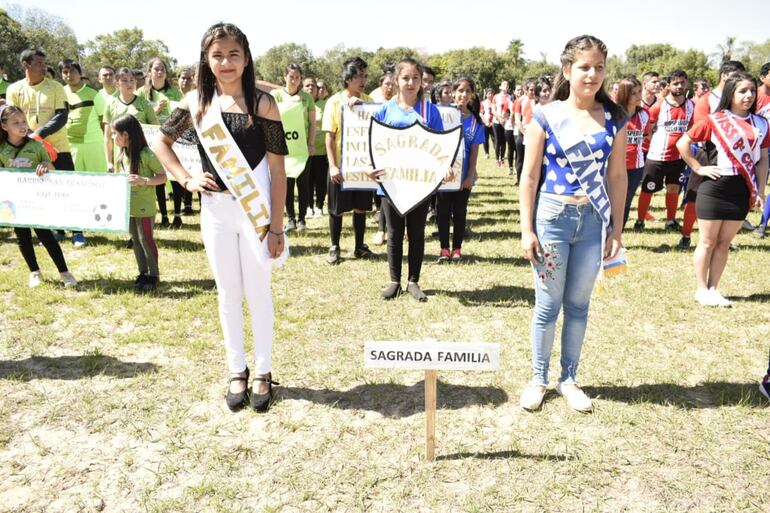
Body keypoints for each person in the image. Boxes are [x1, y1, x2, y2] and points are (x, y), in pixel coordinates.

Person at [153, 22, 288, 412]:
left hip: (256, 211)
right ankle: (236, 369)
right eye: (217, 55)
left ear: (246, 59)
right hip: (215, 211)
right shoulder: (196, 103)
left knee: (258, 292)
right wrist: (185, 178)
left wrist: (276, 226)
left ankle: (262, 371)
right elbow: (160, 140)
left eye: (233, 54)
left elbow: (278, 170)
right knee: (228, 294)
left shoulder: (262, 104)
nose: (226, 62)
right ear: (205, 60)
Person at [519, 35, 627, 412]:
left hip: (593, 221)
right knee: (547, 305)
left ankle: (570, 378)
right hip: (552, 218)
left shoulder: (615, 118)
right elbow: (529, 177)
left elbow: (617, 178)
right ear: (567, 69)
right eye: (584, 67)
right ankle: (538, 378)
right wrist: (526, 228)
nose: (592, 74)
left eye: (599, 67)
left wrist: (617, 228)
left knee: (579, 305)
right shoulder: (546, 116)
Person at [676, 71, 768, 307]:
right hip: (715, 187)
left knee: (724, 243)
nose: (748, 95)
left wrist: (759, 188)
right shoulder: (715, 119)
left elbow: (763, 158)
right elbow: (683, 143)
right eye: (742, 91)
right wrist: (698, 168)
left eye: (752, 91)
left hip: (742, 188)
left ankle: (714, 288)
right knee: (707, 241)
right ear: (731, 93)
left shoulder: (761, 123)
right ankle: (701, 289)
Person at [372, 58, 449, 301]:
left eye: (416, 78)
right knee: (394, 233)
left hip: (420, 184)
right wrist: (370, 167)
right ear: (396, 80)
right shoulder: (385, 110)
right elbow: (374, 145)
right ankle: (394, 281)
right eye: (405, 78)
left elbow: (442, 145)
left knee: (416, 233)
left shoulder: (430, 111)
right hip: (392, 184)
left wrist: (444, 168)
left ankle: (413, 281)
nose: (411, 82)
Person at [6, 49, 88, 247]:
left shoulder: (56, 87)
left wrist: (38, 134)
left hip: (58, 147)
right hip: (28, 149)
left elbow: (62, 116)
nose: (44, 67)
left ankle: (77, 232)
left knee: (67, 188)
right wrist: (26, 139)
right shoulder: (14, 90)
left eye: (44, 63)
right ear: (26, 65)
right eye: (39, 63)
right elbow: (11, 118)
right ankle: (57, 231)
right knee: (44, 191)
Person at [0, 105, 78, 288]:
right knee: (23, 237)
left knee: (45, 235)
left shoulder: (36, 145)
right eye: (16, 123)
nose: (22, 126)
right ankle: (34, 272)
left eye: (23, 121)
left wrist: (45, 165)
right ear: (4, 127)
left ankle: (65, 272)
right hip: (13, 202)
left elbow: (52, 168)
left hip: (36, 201)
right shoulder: (2, 148)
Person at [680, 61, 746, 248]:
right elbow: (701, 130)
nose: (738, 81)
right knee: (694, 195)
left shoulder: (738, 99)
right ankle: (686, 235)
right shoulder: (707, 99)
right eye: (735, 76)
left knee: (728, 197)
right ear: (724, 76)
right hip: (708, 153)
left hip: (733, 155)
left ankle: (723, 239)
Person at [321, 56, 375, 265]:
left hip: (362, 166)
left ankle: (359, 246)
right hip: (341, 166)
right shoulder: (334, 102)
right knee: (337, 208)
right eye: (359, 76)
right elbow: (329, 136)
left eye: (365, 75)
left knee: (361, 207)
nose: (363, 80)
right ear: (348, 78)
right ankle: (334, 246)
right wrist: (333, 166)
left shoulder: (370, 101)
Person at [634, 69, 694, 233]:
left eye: (682, 82)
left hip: (679, 157)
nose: (680, 86)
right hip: (657, 156)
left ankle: (670, 220)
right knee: (648, 188)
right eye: (676, 83)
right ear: (668, 85)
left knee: (673, 188)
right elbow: (648, 130)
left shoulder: (691, 105)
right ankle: (639, 221)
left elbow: (691, 128)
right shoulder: (658, 106)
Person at [112, 114, 166, 292]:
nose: (113, 137)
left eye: (115, 133)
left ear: (126, 135)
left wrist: (144, 180)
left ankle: (154, 274)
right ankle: (142, 272)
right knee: (135, 240)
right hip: (129, 208)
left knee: (146, 240)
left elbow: (162, 177)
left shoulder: (147, 154)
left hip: (144, 208)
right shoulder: (121, 155)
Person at [437, 77, 484, 263]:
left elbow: (474, 152)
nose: (463, 95)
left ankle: (457, 249)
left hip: (464, 177)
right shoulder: (442, 115)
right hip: (444, 176)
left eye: (467, 91)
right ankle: (444, 248)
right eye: (460, 91)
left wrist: (470, 176)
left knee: (460, 212)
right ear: (453, 92)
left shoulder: (475, 122)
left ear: (472, 95)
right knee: (442, 212)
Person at [137, 58, 184, 228]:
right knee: (158, 176)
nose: (159, 72)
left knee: (175, 177)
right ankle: (164, 215)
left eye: (162, 68)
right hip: (152, 141)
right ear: (149, 72)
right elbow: (140, 116)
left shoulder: (175, 92)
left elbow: (183, 114)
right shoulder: (142, 92)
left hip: (173, 139)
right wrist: (154, 111)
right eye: (155, 69)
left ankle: (177, 216)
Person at [271, 64, 316, 232]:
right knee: (286, 185)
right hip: (283, 149)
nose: (294, 80)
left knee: (303, 184)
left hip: (302, 149)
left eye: (297, 77)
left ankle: (302, 219)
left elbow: (312, 123)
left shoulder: (307, 98)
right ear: (285, 77)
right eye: (291, 77)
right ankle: (290, 219)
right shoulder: (275, 95)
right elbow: (270, 117)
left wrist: (311, 144)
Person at [60, 60, 108, 174]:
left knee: (97, 180)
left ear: (80, 73)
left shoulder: (94, 94)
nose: (69, 75)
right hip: (69, 145)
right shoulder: (59, 93)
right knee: (74, 182)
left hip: (94, 144)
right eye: (65, 72)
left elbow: (104, 122)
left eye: (73, 71)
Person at [616, 76, 650, 227]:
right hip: (615, 166)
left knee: (626, 202)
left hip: (635, 167)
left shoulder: (644, 115)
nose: (638, 96)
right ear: (624, 94)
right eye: (634, 93)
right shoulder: (614, 114)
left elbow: (646, 135)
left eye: (639, 91)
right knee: (611, 202)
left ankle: (617, 238)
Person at [302, 77, 328, 217]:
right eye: (307, 86)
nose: (311, 88)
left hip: (321, 150)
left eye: (313, 86)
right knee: (307, 180)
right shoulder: (302, 102)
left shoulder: (325, 104)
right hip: (304, 149)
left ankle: (319, 206)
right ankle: (308, 206)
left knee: (320, 180)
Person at [753, 62, 770, 238]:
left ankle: (763, 224)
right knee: (752, 186)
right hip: (755, 148)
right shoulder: (752, 96)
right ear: (762, 77)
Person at [514, 80, 536, 184]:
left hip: (536, 134)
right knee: (521, 159)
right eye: (531, 90)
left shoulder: (540, 100)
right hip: (523, 134)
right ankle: (519, 180)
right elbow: (517, 119)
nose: (533, 92)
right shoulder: (520, 101)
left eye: (535, 89)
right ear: (525, 90)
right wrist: (524, 132)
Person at [492, 80, 510, 167]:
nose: (506, 86)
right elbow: (493, 110)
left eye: (507, 85)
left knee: (503, 141)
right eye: (504, 84)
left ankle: (502, 159)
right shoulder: (496, 97)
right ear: (500, 87)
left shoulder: (510, 97)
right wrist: (499, 118)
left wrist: (505, 119)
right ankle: (497, 159)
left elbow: (510, 110)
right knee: (497, 140)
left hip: (506, 122)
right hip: (496, 121)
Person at [480, 88, 495, 159]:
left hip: (494, 123)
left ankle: (497, 152)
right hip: (485, 123)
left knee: (495, 138)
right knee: (485, 139)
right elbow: (481, 113)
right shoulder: (483, 103)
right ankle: (487, 153)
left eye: (492, 93)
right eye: (489, 93)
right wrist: (486, 122)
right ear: (486, 95)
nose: (491, 94)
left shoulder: (495, 102)